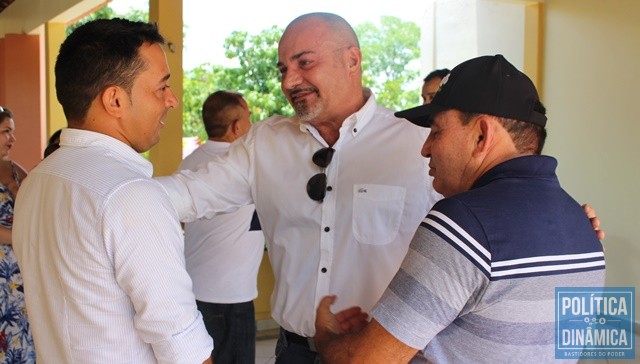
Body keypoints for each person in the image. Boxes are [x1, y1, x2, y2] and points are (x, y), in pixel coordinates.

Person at [157, 12, 441, 363]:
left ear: (352, 60)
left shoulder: (417, 144)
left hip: (383, 354)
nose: (290, 81)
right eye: (282, 70)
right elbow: (187, 194)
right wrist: (109, 188)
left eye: (304, 63)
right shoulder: (265, 143)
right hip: (294, 351)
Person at [314, 54, 607, 363]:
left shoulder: (463, 222)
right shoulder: (582, 225)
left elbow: (364, 360)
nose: (425, 148)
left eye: (437, 131)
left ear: (482, 135)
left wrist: (325, 336)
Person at [12, 19, 213, 364]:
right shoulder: (130, 194)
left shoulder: (36, 182)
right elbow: (183, 347)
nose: (172, 101)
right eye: (161, 87)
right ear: (115, 100)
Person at [179, 90, 264, 364]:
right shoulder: (249, 165)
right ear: (237, 126)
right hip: (232, 297)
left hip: (193, 293)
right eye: (249, 118)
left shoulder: (189, 163)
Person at [0, 106, 35, 363]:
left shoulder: (15, 169)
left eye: (12, 132)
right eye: (5, 132)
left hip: (21, 272)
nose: (12, 139)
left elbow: (38, 205)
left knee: (23, 336)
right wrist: (23, 236)